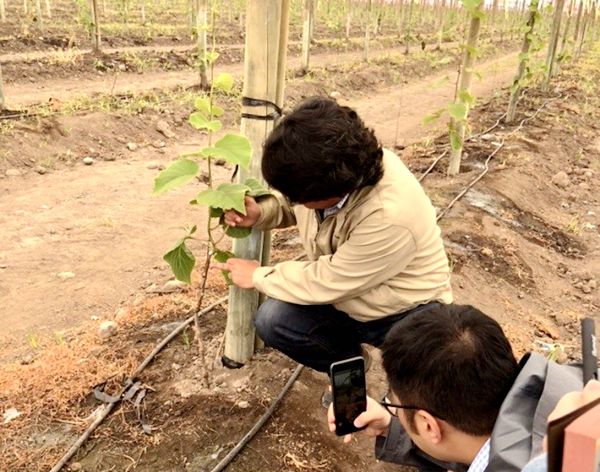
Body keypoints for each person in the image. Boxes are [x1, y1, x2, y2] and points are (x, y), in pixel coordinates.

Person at [215, 96, 452, 374]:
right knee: (274, 319)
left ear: (328, 193)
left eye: (301, 199)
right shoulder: (329, 169)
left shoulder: (391, 214)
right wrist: (261, 212)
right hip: (349, 296)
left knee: (421, 376)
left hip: (404, 309)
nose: (296, 203)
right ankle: (350, 368)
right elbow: (297, 204)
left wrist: (257, 275)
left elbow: (329, 279)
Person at [327, 304, 586, 472]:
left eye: (391, 402)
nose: (392, 409)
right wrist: (390, 425)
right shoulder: (573, 391)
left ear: (428, 425)